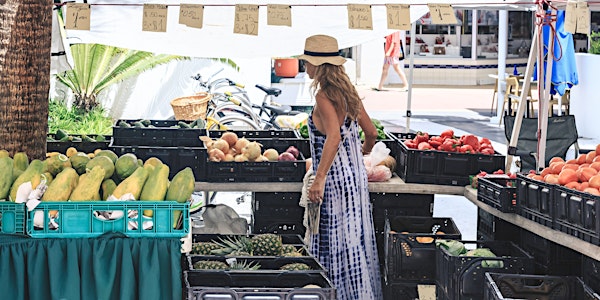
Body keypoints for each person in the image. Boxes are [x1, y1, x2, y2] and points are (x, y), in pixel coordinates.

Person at [298, 34, 383, 300]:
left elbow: (333, 137)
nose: (305, 67)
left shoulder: (324, 96)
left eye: (307, 63)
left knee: (332, 240)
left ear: (319, 66)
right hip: (354, 179)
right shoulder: (348, 94)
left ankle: (334, 295)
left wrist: (319, 178)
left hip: (333, 179)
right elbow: (371, 133)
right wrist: (360, 156)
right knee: (353, 239)